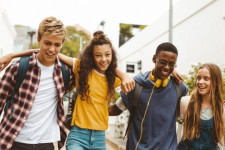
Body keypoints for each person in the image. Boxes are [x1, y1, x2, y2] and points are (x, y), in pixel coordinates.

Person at [0, 29, 135, 149]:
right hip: (78, 135)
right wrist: (12, 55)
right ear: (91, 57)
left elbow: (131, 81)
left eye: (107, 54)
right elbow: (49, 53)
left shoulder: (113, 79)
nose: (103, 59)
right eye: (98, 55)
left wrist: (124, 75)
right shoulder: (82, 69)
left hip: (100, 138)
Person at [0, 16, 75, 150]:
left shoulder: (65, 73)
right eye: (47, 43)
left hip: (46, 143)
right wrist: (12, 57)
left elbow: (91, 66)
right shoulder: (17, 68)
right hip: (14, 141)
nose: (52, 49)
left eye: (57, 44)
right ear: (38, 40)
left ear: (62, 44)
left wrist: (123, 75)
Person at [109, 42, 189, 150]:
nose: (166, 67)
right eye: (162, 62)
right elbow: (116, 109)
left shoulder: (179, 88)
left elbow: (191, 113)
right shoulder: (136, 85)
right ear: (154, 59)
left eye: (171, 64)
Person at [178, 63, 225, 150]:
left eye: (206, 79)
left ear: (215, 82)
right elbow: (179, 133)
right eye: (198, 78)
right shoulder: (186, 102)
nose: (200, 82)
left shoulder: (222, 109)